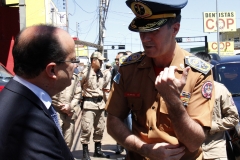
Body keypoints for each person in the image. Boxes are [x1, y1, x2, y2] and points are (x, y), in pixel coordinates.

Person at [106, 0, 215, 160]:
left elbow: (194, 142)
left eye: (153, 31)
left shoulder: (197, 73)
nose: (145, 38)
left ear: (175, 29)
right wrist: (144, 149)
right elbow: (113, 121)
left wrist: (172, 100)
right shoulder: (129, 68)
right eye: (141, 31)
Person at [0, 24, 77, 159]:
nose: (75, 65)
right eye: (72, 60)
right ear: (52, 70)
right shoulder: (29, 120)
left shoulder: (17, 97)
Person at [195, 52, 239, 160]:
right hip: (191, 153)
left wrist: (211, 126)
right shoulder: (185, 91)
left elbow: (233, 118)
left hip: (215, 152)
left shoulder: (219, 89)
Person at [79, 51, 110, 160]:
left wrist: (107, 104)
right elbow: (79, 87)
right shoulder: (85, 73)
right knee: (86, 129)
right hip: (89, 105)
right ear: (93, 61)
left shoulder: (102, 74)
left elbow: (105, 88)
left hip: (100, 105)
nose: (102, 62)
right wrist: (79, 102)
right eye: (100, 60)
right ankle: (85, 153)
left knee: (100, 128)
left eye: (102, 61)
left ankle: (98, 150)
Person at [52, 71, 82, 149]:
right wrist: (63, 107)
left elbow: (78, 95)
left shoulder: (75, 78)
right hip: (57, 113)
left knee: (68, 142)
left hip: (70, 114)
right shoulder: (55, 75)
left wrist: (70, 107)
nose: (75, 65)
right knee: (56, 142)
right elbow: (51, 95)